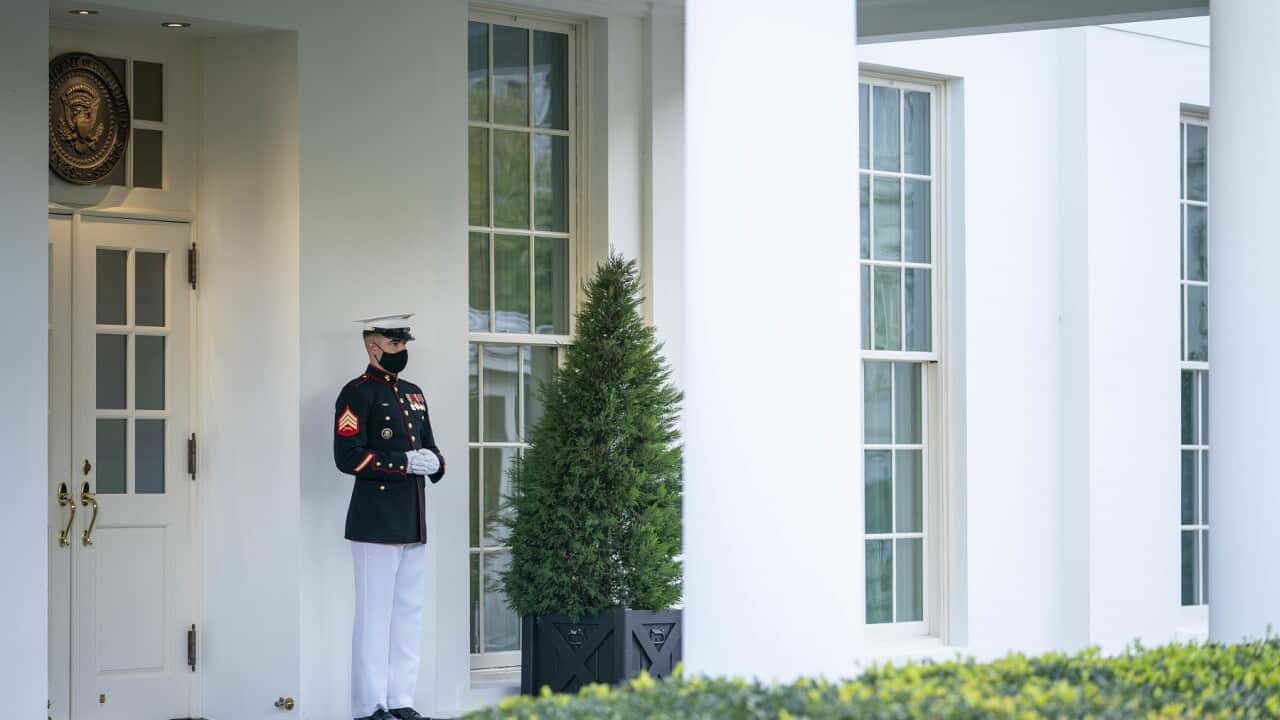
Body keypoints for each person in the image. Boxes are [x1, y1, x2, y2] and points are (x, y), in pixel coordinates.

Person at [333, 313, 446, 720]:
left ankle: (401, 698)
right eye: (395, 345)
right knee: (373, 616)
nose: (402, 351)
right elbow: (347, 457)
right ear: (372, 347)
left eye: (404, 344)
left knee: (408, 615)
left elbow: (430, 448)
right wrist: (402, 462)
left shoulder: (415, 393)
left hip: (412, 519)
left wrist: (434, 462)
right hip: (375, 522)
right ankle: (369, 704)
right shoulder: (356, 394)